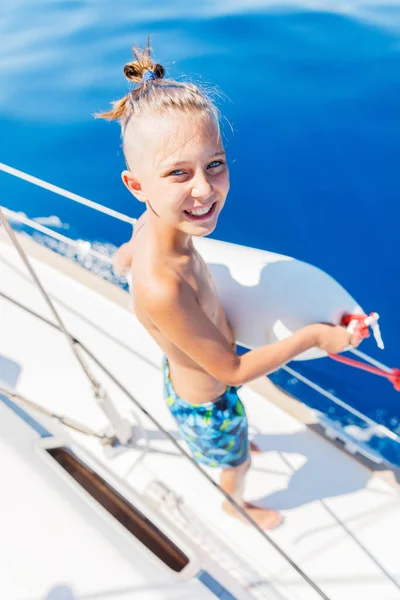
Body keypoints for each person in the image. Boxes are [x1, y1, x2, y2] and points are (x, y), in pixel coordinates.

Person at [98, 43, 362, 530]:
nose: (204, 188)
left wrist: (121, 265)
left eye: (214, 164)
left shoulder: (149, 223)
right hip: (208, 402)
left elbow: (124, 256)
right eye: (179, 173)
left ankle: (237, 456)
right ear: (137, 185)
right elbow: (234, 370)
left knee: (239, 440)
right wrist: (314, 338)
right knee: (237, 461)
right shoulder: (163, 288)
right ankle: (234, 503)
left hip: (192, 377)